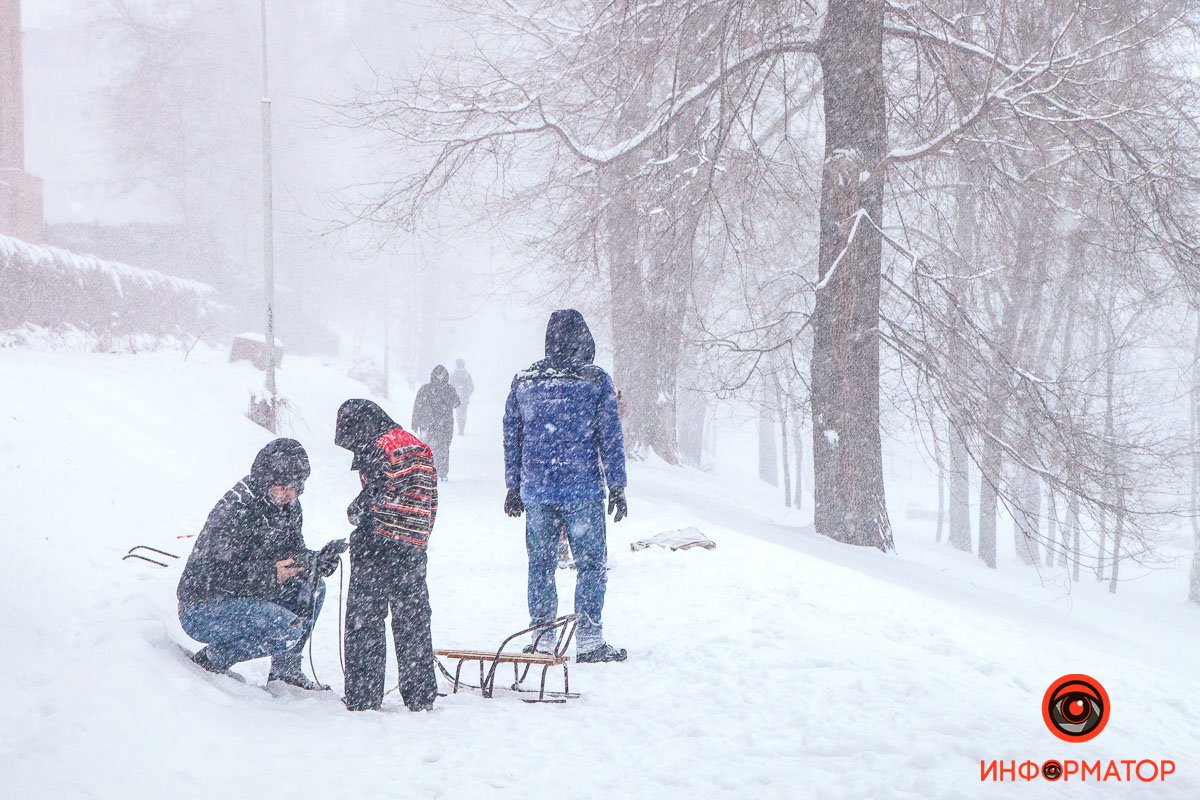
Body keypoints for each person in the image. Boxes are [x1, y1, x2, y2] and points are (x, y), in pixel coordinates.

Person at [503, 309, 629, 663]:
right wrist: (617, 485)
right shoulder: (596, 381)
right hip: (582, 490)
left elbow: (512, 435)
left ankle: (543, 638)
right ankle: (588, 639)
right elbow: (611, 437)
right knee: (590, 564)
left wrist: (513, 485)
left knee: (540, 564)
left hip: (537, 490)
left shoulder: (524, 382)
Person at [177, 438, 345, 689]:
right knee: (287, 629)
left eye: (295, 488)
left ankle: (285, 671)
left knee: (313, 587)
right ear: (266, 479)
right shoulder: (237, 507)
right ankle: (211, 661)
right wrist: (268, 573)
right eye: (282, 487)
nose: (288, 495)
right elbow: (214, 573)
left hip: (249, 593)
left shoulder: (288, 506)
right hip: (204, 606)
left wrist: (315, 561)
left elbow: (291, 554)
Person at [335, 399, 439, 712]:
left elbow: (375, 494)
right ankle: (420, 693)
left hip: (378, 545)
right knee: (413, 620)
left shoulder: (377, 446)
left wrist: (357, 513)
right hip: (413, 545)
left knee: (365, 620)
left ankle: (364, 695)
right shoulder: (417, 445)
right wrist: (417, 537)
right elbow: (429, 500)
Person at [412, 365, 460, 480]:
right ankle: (429, 471)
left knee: (443, 447)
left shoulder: (449, 389)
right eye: (438, 374)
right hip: (429, 424)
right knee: (429, 448)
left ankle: (441, 472)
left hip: (443, 424)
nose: (440, 377)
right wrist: (415, 421)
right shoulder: (426, 389)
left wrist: (447, 404)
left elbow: (457, 403)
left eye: (442, 374)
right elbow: (417, 406)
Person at [450, 359, 474, 436]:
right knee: (463, 413)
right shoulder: (467, 374)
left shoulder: (453, 374)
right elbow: (471, 387)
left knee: (458, 413)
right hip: (464, 398)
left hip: (456, 397)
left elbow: (450, 385)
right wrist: (467, 394)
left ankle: (460, 427)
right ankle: (462, 429)